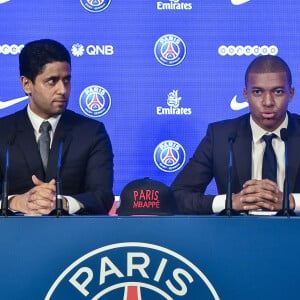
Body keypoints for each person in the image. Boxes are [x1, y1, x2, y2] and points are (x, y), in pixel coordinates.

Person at [171, 55, 300, 214]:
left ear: (291, 93)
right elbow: (177, 196)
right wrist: (229, 202)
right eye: (258, 92)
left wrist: (292, 201)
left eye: (278, 91)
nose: (268, 102)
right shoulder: (221, 137)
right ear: (246, 94)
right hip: (236, 235)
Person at [0, 39, 114, 215]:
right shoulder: (4, 133)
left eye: (66, 80)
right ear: (27, 84)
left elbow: (102, 196)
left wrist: (62, 203)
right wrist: (15, 202)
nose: (63, 89)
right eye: (52, 81)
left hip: (74, 238)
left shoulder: (91, 132)